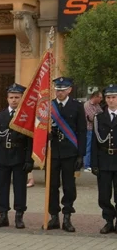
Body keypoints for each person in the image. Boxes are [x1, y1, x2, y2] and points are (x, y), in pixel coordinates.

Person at [0, 85, 33, 229]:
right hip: (2, 156)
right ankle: (3, 215)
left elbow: (30, 140)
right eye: (11, 97)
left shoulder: (26, 116)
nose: (14, 100)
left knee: (20, 188)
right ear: (7, 99)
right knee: (2, 187)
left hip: (19, 156)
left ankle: (19, 216)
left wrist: (29, 159)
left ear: (21, 99)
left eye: (17, 97)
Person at [47, 77, 87, 233]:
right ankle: (54, 216)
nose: (60, 92)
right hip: (53, 152)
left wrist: (80, 155)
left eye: (63, 89)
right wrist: (47, 136)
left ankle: (67, 216)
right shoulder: (50, 106)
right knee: (52, 186)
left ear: (70, 90)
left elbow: (82, 131)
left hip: (70, 152)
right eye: (57, 89)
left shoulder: (77, 106)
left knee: (69, 187)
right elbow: (42, 127)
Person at [91, 86, 117, 234]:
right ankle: (108, 220)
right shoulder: (99, 118)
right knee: (104, 195)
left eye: (114, 97)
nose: (111, 100)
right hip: (104, 160)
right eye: (108, 98)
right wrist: (93, 163)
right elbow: (94, 143)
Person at [84, 89, 103, 171]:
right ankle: (86, 165)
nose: (101, 99)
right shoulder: (87, 105)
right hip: (89, 129)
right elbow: (92, 118)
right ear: (95, 97)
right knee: (88, 147)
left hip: (95, 129)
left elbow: (102, 114)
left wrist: (98, 116)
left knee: (94, 147)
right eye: (100, 97)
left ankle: (92, 163)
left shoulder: (97, 105)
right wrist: (98, 116)